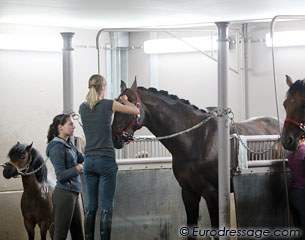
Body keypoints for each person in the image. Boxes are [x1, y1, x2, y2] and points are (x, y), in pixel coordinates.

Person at [79, 74, 139, 240]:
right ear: (103, 87)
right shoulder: (109, 104)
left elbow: (97, 112)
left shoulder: (82, 107)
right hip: (105, 160)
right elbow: (136, 111)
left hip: (89, 161)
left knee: (90, 207)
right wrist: (125, 100)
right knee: (106, 207)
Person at [46, 113, 84, 240]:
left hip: (73, 192)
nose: (74, 127)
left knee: (78, 233)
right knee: (60, 235)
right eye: (71, 124)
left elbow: (82, 158)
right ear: (60, 127)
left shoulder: (68, 144)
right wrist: (79, 168)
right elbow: (61, 175)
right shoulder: (57, 147)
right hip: (64, 193)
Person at [288, 137, 305, 240]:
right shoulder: (303, 151)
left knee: (297, 227)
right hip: (302, 192)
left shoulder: (292, 154)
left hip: (294, 192)